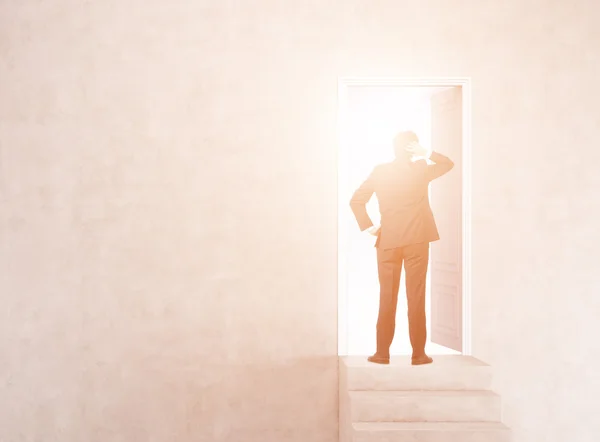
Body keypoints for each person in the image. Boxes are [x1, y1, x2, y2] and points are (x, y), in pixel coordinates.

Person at [349, 131, 454, 365]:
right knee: (415, 297)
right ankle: (418, 355)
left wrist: (369, 227)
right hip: (417, 241)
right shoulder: (420, 169)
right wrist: (425, 152)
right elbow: (448, 163)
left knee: (387, 297)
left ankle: (381, 354)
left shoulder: (380, 171)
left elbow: (356, 201)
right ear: (411, 147)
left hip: (388, 242)